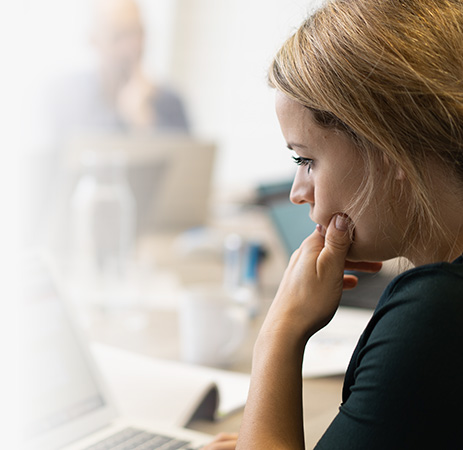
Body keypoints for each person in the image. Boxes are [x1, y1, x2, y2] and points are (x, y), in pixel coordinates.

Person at [203, 0, 463, 448]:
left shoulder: (436, 314)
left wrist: (280, 331)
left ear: (389, 147)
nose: (297, 191)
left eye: (306, 160)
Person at [48, 0, 190, 137]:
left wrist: (144, 121)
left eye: (138, 32)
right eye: (118, 36)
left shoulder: (170, 103)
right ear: (93, 39)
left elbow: (186, 152)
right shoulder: (68, 96)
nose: (131, 46)